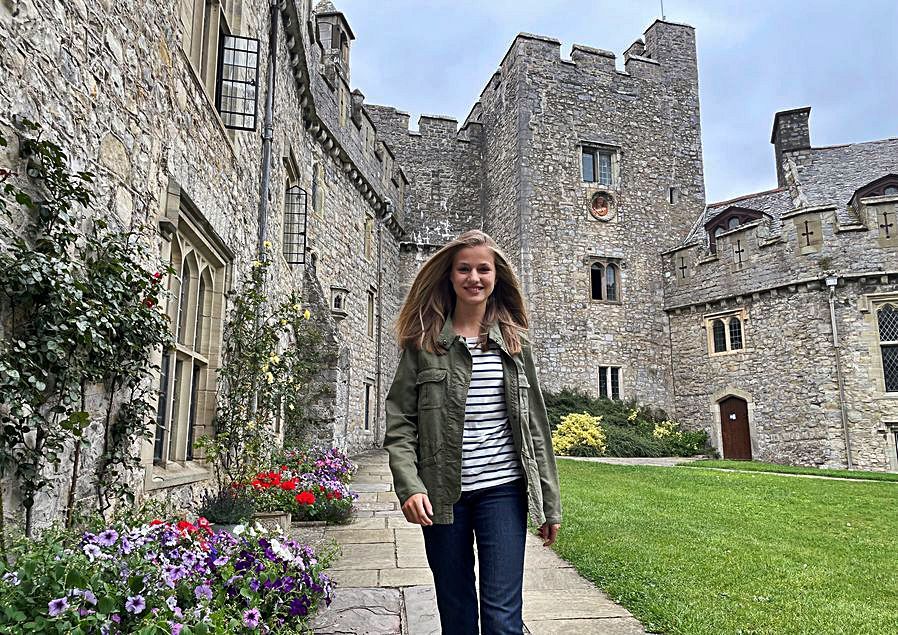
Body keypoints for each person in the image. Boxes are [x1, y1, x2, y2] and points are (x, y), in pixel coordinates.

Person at [383, 229, 562, 634]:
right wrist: (410, 486)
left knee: (502, 620)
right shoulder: (424, 345)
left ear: (496, 276)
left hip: (503, 492)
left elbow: (535, 427)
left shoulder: (515, 345)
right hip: (444, 494)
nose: (474, 277)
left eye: (484, 269)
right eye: (464, 269)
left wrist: (549, 504)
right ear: (450, 276)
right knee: (457, 613)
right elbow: (400, 422)